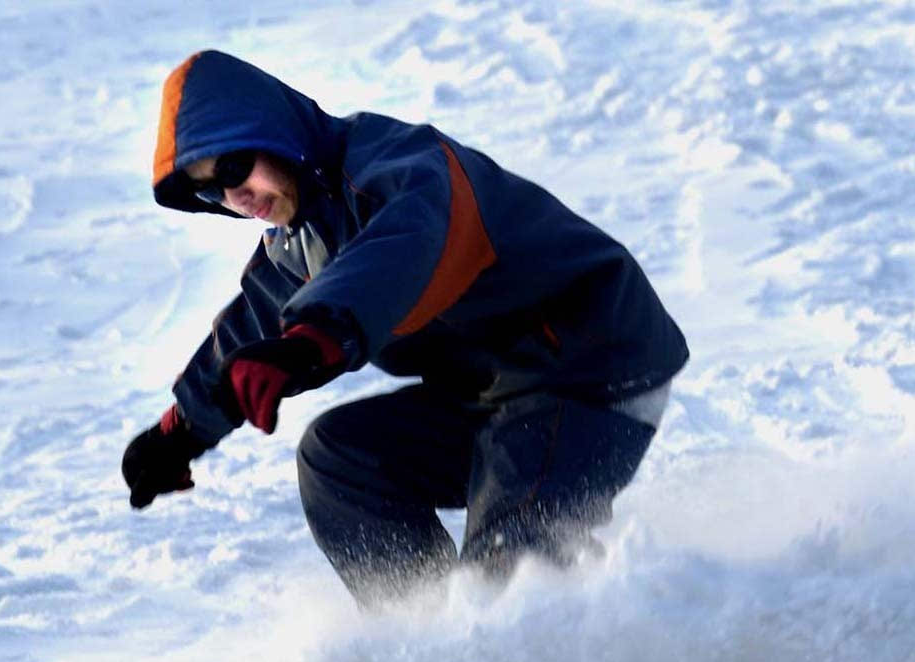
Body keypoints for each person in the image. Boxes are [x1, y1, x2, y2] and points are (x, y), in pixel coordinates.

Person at [122, 50, 689, 604]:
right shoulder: (298, 237)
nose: (233, 195)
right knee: (338, 458)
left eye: (233, 166)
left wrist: (314, 338)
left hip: (585, 371)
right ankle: (426, 636)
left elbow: (399, 250)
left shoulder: (399, 169)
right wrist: (180, 432)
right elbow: (250, 328)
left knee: (507, 584)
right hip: (494, 396)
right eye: (209, 188)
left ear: (273, 132)